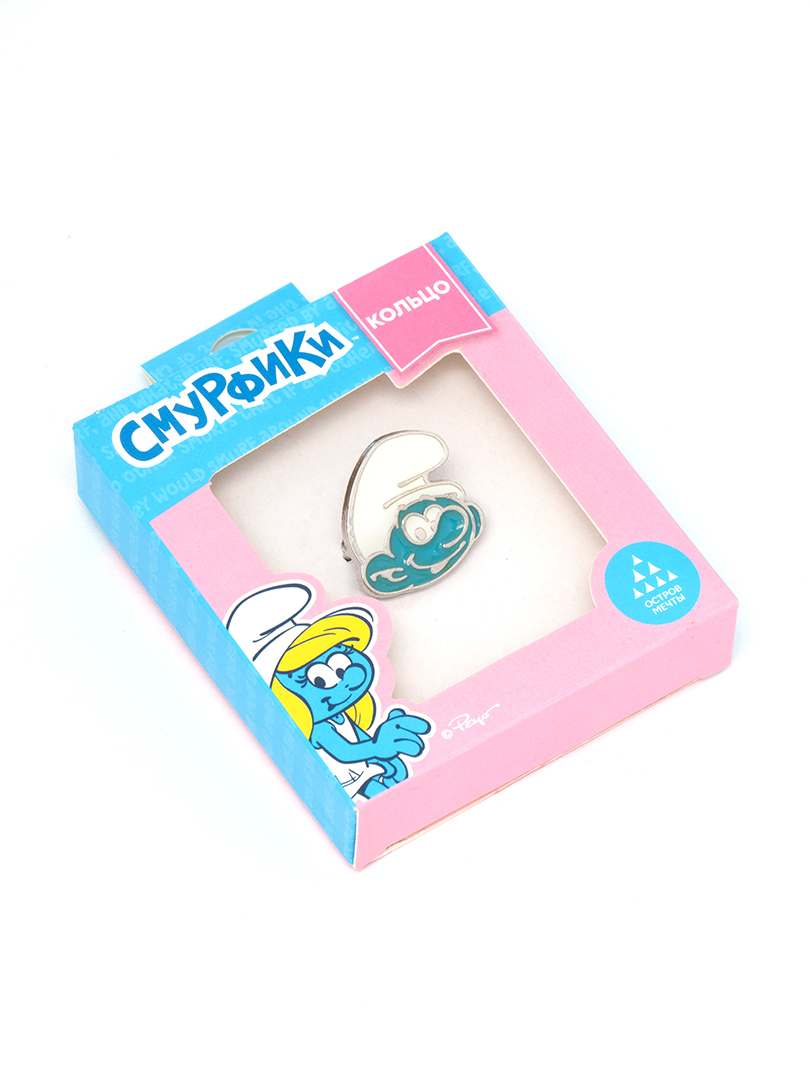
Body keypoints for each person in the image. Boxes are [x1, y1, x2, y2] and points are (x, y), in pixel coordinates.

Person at [226, 583, 430, 799]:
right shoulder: (320, 728)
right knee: (378, 795)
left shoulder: (339, 715)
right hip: (343, 783)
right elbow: (346, 752)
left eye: (342, 665)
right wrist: (378, 747)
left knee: (388, 789)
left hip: (363, 769)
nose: (347, 680)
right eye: (320, 680)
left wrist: (381, 754)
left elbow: (360, 739)